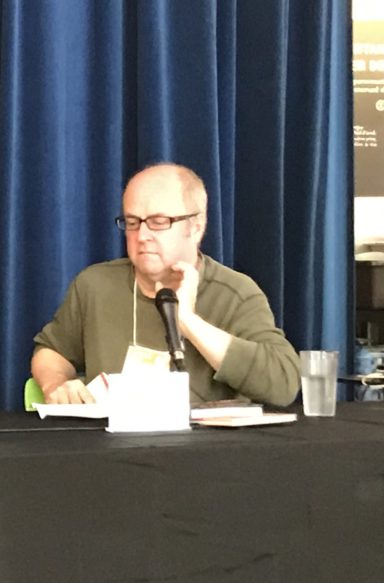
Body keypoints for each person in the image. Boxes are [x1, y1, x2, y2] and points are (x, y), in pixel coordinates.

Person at [31, 163, 300, 406]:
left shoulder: (235, 293)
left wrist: (188, 322)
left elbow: (283, 385)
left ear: (196, 226)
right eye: (132, 222)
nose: (142, 236)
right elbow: (52, 351)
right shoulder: (94, 285)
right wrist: (56, 384)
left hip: (204, 444)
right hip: (107, 441)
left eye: (159, 222)